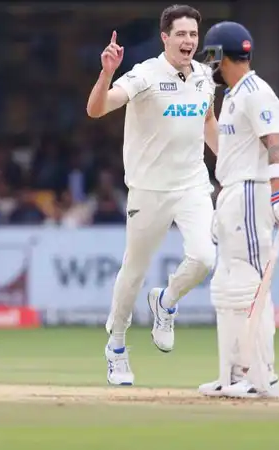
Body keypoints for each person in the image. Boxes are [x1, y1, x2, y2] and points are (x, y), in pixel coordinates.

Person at [85, 4, 219, 385]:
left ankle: (166, 301)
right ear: (165, 37)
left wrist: (227, 166)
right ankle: (116, 345)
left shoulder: (205, 77)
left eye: (193, 35)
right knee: (135, 271)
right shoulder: (144, 74)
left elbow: (208, 122)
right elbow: (97, 109)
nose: (188, 41)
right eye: (181, 34)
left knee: (205, 258)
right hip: (149, 188)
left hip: (192, 184)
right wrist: (106, 73)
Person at [196, 21, 279, 398]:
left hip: (251, 194)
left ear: (220, 56)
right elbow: (229, 153)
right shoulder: (233, 96)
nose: (208, 64)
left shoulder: (257, 93)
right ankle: (233, 374)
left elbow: (275, 145)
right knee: (226, 287)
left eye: (211, 56)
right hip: (231, 194)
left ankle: (263, 376)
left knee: (251, 286)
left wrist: (278, 196)